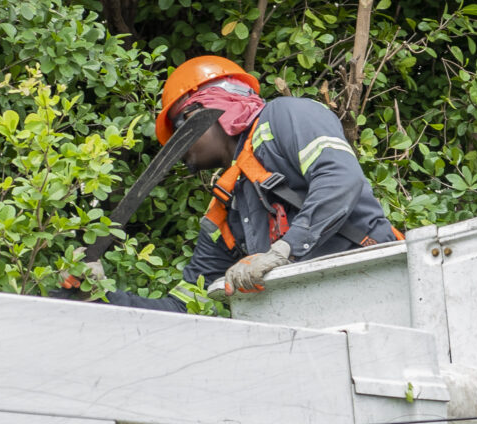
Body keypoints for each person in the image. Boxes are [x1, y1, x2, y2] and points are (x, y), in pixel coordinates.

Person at [103, 56, 398, 311]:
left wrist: (285, 250)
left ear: (213, 106)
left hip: (379, 284)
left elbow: (339, 179)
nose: (179, 150)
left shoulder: (284, 117)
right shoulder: (226, 206)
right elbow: (186, 304)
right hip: (316, 319)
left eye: (181, 128)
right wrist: (102, 297)